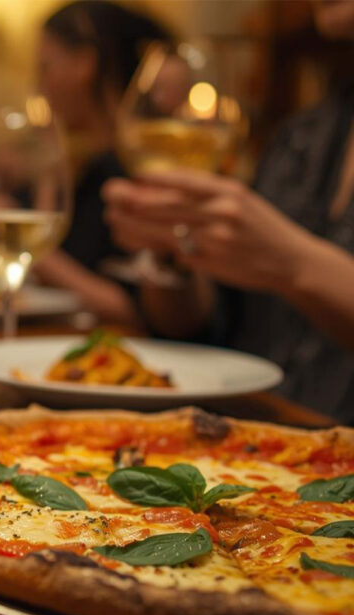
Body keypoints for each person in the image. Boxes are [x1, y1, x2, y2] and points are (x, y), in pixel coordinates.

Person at [102, 0, 354, 422]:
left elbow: (285, 266)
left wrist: (295, 264)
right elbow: (211, 326)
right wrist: (172, 260)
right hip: (253, 452)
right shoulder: (303, 134)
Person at [31, 0, 170, 326]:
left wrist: (27, 249)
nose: (40, 87)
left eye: (45, 67)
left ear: (84, 64)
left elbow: (134, 310)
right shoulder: (88, 165)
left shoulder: (131, 171)